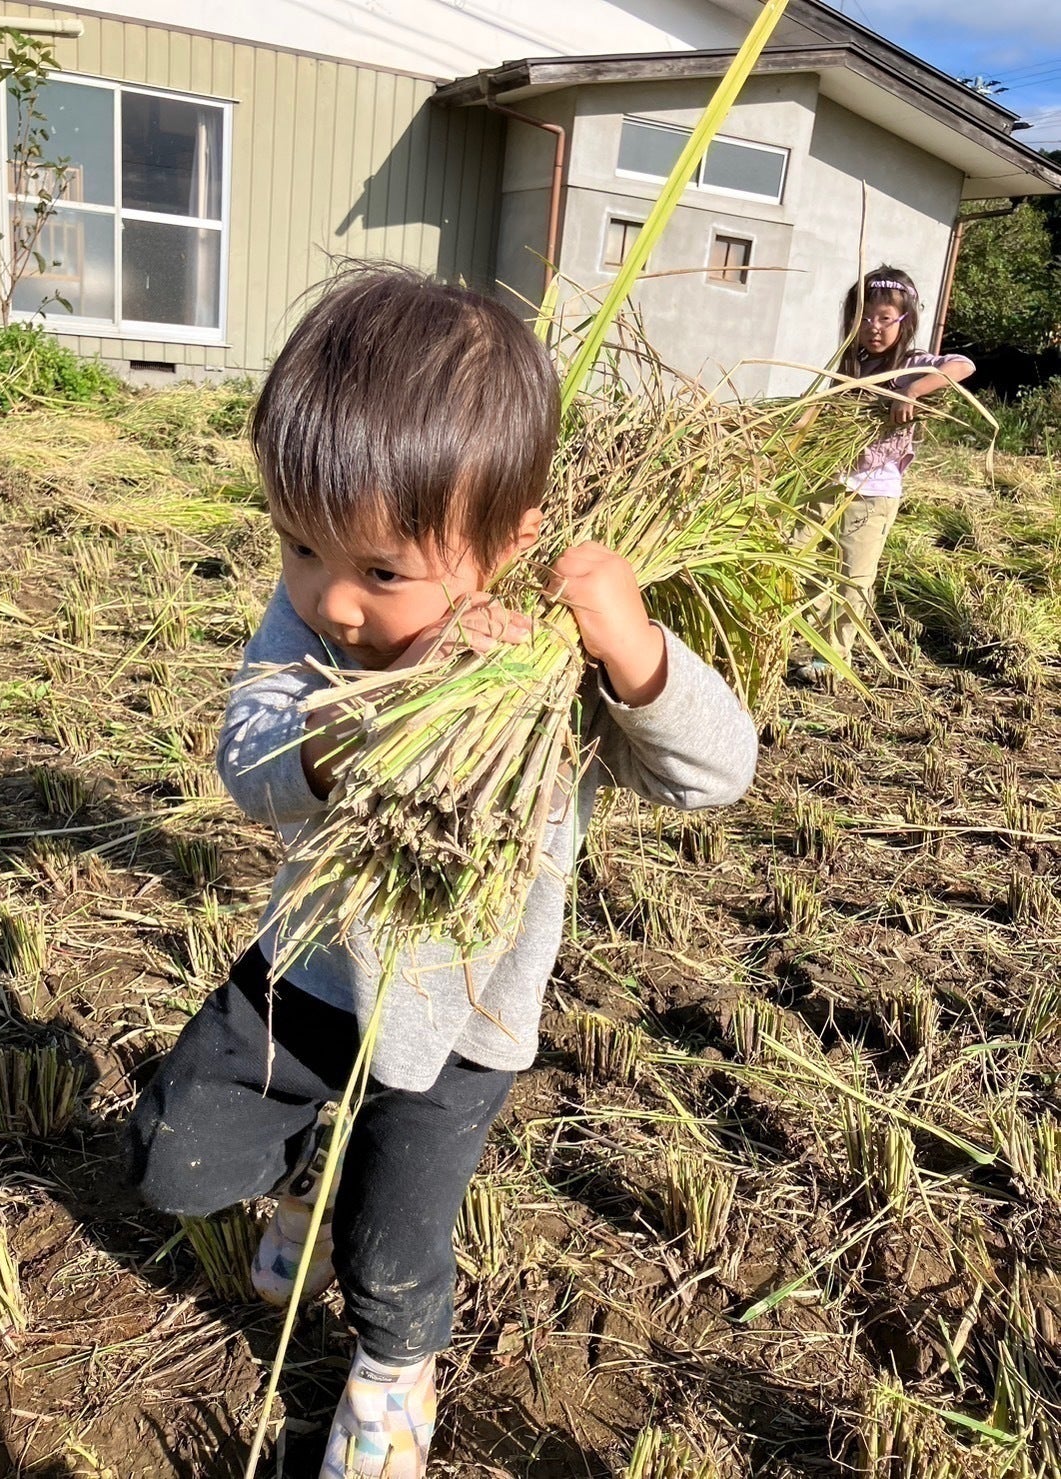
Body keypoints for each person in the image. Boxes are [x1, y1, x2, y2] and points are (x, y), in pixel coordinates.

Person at [124, 265, 758, 1479]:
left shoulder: (553, 666)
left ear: (503, 543)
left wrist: (629, 644)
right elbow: (247, 761)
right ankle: (303, 1161)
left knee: (391, 1253)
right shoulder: (309, 625)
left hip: (466, 1024)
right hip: (308, 972)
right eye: (299, 544)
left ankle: (390, 1372)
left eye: (379, 572)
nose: (331, 600)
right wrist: (348, 725)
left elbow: (713, 773)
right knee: (171, 1163)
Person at [793, 265, 975, 681]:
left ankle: (830, 658)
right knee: (794, 550)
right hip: (829, 477)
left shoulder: (910, 365)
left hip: (874, 489)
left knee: (853, 577)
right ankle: (807, 633)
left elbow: (961, 365)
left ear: (904, 322)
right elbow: (820, 409)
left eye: (885, 319)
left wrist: (911, 390)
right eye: (866, 318)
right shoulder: (848, 364)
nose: (874, 327)